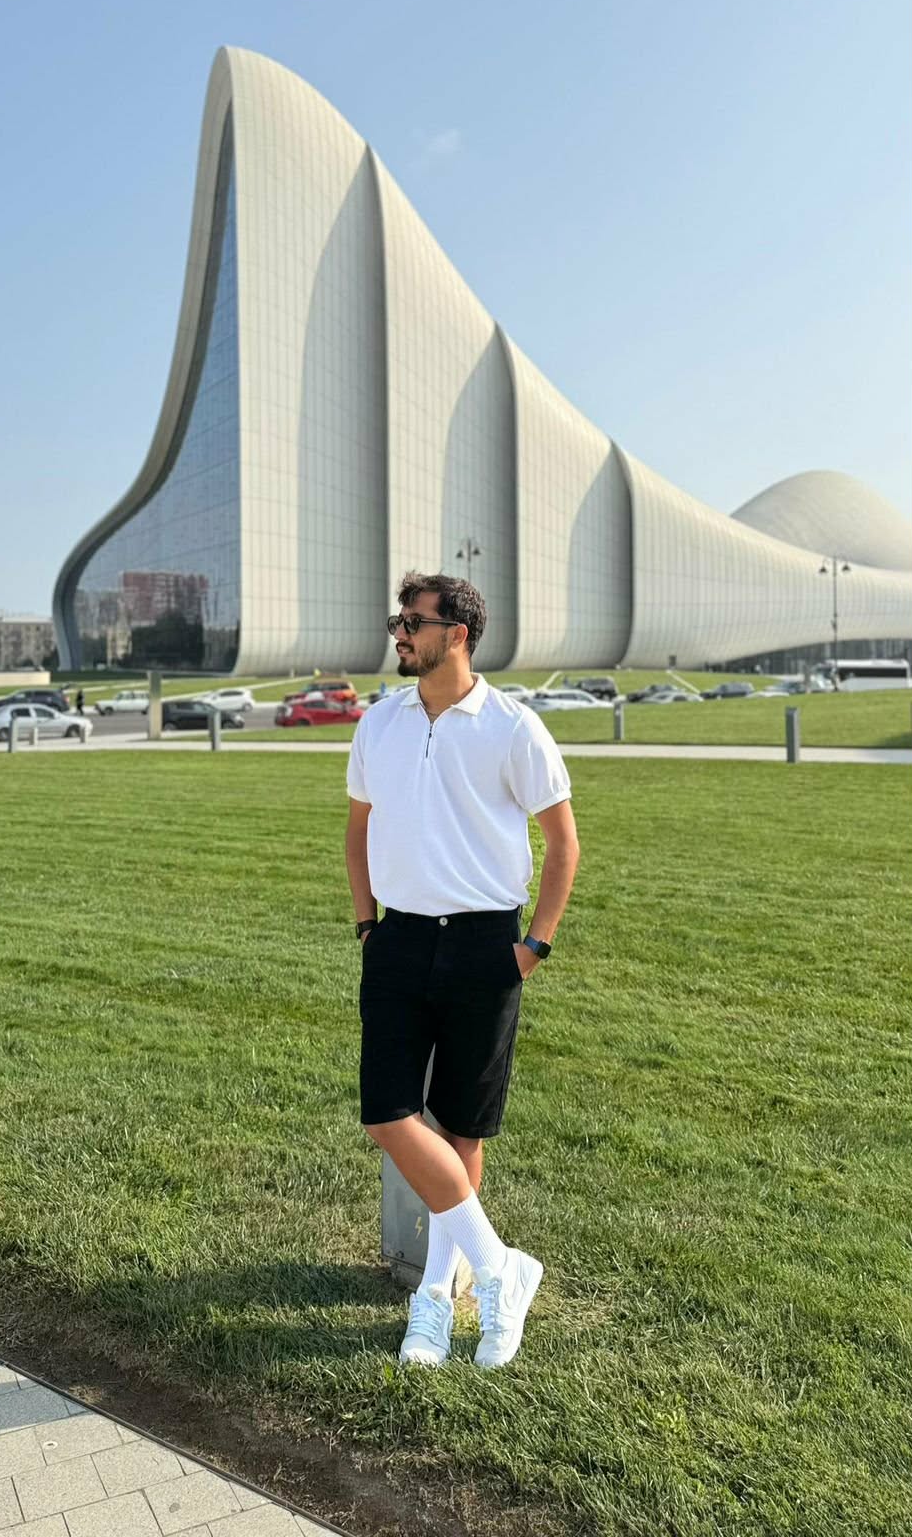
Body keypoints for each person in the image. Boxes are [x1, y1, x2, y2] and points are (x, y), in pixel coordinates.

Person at [345, 572, 579, 1370]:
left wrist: (531, 947)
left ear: (458, 633)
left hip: (485, 943)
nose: (398, 633)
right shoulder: (379, 722)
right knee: (386, 1114)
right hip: (399, 940)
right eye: (397, 621)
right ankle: (501, 1266)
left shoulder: (513, 727)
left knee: (460, 1127)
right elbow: (357, 830)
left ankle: (435, 1303)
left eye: (411, 621)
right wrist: (368, 926)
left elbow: (563, 845)